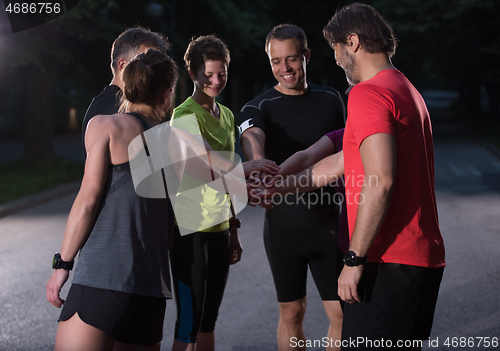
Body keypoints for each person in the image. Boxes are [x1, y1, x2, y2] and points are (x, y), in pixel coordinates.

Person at [322, 3, 446, 349]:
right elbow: (341, 163)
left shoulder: (367, 92)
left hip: (388, 260)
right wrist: (277, 183)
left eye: (335, 48)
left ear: (353, 42)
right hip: (419, 259)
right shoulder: (406, 89)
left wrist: (354, 258)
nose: (335, 60)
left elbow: (381, 181)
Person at [46, 49, 178, 351]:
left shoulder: (106, 126)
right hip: (151, 289)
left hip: (102, 280)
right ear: (167, 94)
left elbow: (88, 200)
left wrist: (62, 264)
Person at [238, 24, 345, 351]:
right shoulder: (260, 105)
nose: (284, 68)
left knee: (341, 314)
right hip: (283, 229)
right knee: (292, 312)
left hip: (329, 224)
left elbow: (346, 151)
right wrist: (259, 164)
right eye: (276, 61)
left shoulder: (331, 100)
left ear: (306, 56)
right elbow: (252, 133)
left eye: (292, 59)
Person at [169, 35, 278, 351]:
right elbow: (206, 165)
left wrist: (233, 229)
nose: (216, 81)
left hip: (218, 230)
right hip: (189, 231)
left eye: (222, 74)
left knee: (209, 320)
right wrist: (251, 175)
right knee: (189, 320)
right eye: (208, 75)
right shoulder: (183, 116)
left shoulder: (229, 116)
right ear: (193, 75)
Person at [81, 27, 170, 160]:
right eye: (146, 62)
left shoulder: (117, 103)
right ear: (122, 65)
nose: (155, 71)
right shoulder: (111, 107)